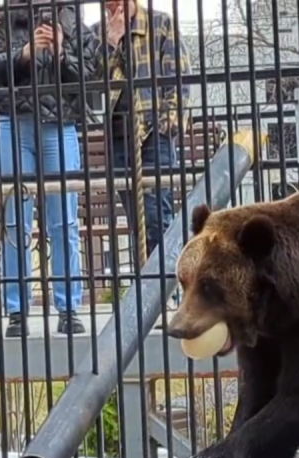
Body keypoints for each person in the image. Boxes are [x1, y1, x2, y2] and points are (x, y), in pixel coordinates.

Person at [0, 0, 99, 338]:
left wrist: (62, 52)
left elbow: (89, 74)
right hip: (14, 123)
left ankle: (68, 308)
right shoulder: (6, 18)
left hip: (60, 124)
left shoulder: (73, 17)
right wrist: (25, 52)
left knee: (63, 219)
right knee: (14, 220)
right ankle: (17, 310)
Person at [88, 0, 190, 276]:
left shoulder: (160, 24)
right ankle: (151, 285)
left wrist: (167, 125)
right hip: (119, 135)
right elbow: (91, 82)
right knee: (138, 219)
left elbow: (179, 80)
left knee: (157, 214)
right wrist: (111, 41)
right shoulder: (98, 33)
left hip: (154, 131)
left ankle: (166, 284)